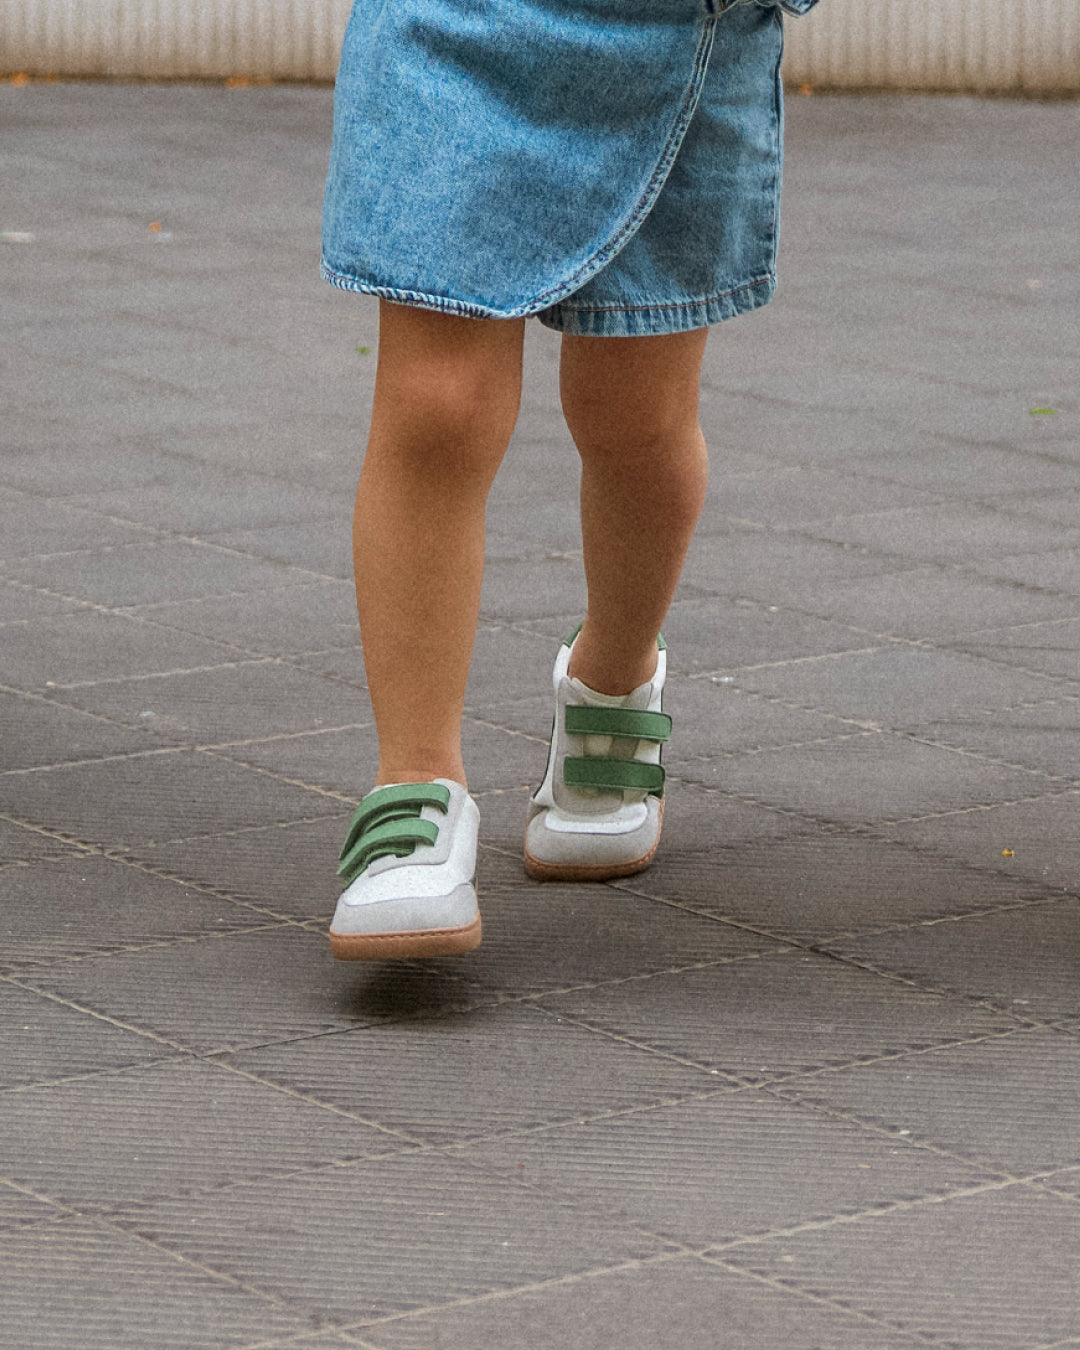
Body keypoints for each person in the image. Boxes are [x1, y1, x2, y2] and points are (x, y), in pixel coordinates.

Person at [321, 0, 819, 960]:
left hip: (677, 36)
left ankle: (614, 683)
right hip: (454, 22)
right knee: (435, 405)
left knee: (637, 416)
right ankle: (414, 784)